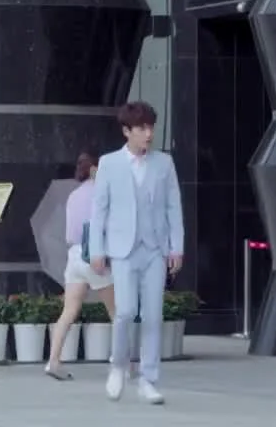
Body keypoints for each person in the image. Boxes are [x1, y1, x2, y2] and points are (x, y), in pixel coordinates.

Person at [88, 101, 184, 405]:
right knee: (126, 311)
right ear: (127, 131)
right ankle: (118, 366)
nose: (149, 134)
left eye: (151, 127)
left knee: (153, 315)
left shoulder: (164, 163)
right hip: (122, 249)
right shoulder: (109, 163)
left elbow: (174, 207)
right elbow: (99, 210)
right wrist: (96, 249)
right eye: (142, 128)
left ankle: (148, 379)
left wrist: (176, 247)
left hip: (155, 248)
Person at [45, 150, 116, 380]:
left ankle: (53, 361)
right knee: (117, 312)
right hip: (95, 255)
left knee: (68, 311)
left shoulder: (74, 195)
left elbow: (69, 233)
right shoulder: (103, 193)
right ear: (95, 169)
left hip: (74, 255)